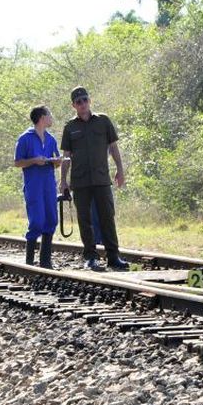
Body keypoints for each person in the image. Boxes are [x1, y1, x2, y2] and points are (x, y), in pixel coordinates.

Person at [59, 86, 129, 271]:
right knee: (85, 219)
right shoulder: (70, 127)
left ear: (90, 101)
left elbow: (113, 148)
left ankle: (113, 257)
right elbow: (66, 155)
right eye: (78, 102)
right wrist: (63, 180)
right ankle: (91, 257)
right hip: (80, 181)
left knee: (107, 217)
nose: (82, 104)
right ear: (73, 105)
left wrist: (120, 170)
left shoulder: (103, 121)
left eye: (85, 100)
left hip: (101, 179)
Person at [14, 106, 61, 268]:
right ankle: (29, 262)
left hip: (49, 184)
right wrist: (34, 160)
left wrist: (57, 162)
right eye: (49, 115)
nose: (51, 118)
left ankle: (45, 261)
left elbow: (55, 162)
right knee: (37, 221)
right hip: (33, 185)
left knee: (51, 219)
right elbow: (17, 162)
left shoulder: (51, 139)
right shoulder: (25, 138)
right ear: (42, 118)